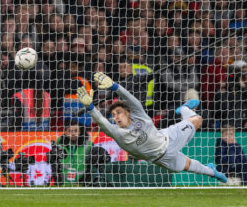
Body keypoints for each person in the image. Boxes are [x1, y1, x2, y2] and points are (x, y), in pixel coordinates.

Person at [76, 72, 227, 183]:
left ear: (128, 113)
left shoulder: (140, 116)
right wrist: (90, 107)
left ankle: (184, 109)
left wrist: (115, 86)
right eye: (114, 115)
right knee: (187, 165)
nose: (116, 116)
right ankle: (211, 172)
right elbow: (102, 122)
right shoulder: (118, 133)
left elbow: (130, 98)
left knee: (197, 119)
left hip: (168, 140)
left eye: (119, 112)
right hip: (159, 159)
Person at [56, 120, 110, 186]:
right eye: (70, 131)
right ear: (65, 132)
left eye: (76, 131)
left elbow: (93, 166)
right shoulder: (58, 144)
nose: (73, 133)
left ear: (80, 132)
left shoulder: (89, 145)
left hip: (83, 182)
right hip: (63, 182)